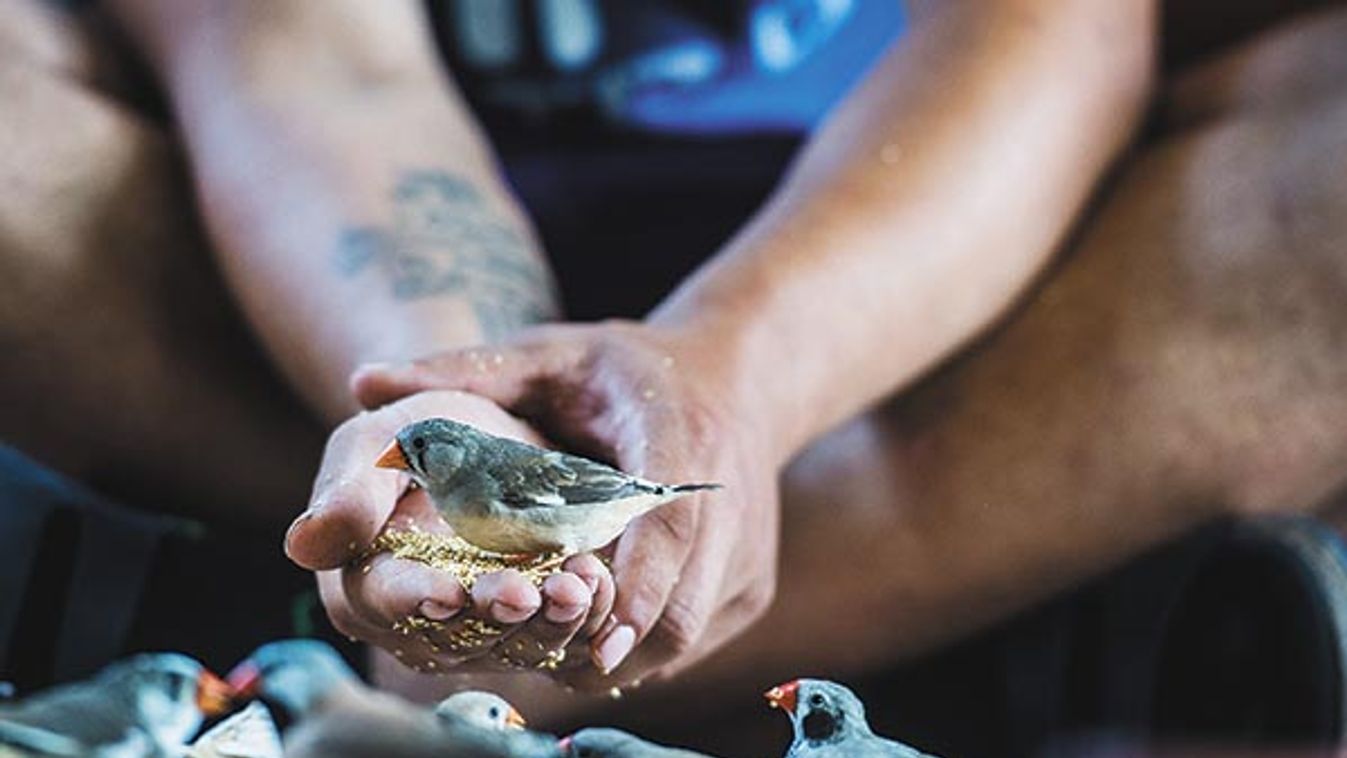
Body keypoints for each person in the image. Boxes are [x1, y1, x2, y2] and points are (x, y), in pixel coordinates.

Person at [5, 0, 1347, 742]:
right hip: (282, 255)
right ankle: (978, 624)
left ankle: (280, 617)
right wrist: (438, 378)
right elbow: (302, 56)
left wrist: (739, 370)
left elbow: (1056, 34)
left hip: (940, 271)